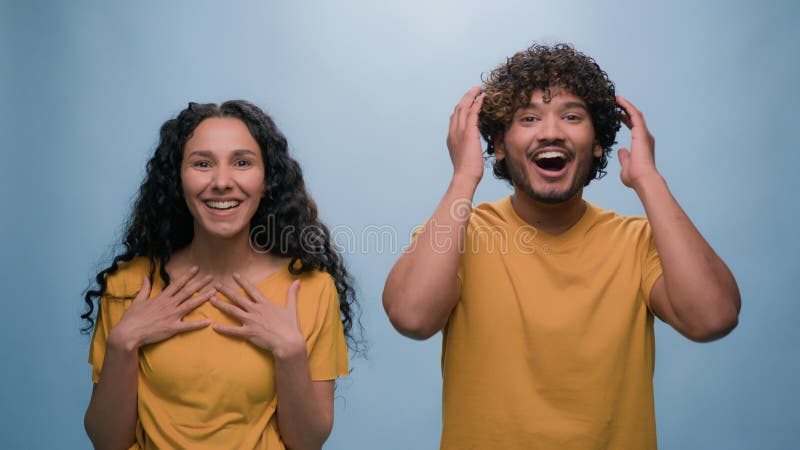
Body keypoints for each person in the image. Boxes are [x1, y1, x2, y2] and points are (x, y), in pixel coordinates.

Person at [382, 43, 741, 449]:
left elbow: (714, 318)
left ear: (599, 142)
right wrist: (464, 176)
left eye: (572, 116)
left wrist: (650, 181)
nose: (551, 132)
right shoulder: (462, 235)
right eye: (529, 118)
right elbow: (411, 316)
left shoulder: (638, 242)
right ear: (499, 144)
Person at [81, 100, 358, 450]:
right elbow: (107, 442)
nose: (222, 182)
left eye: (242, 163)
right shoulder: (130, 286)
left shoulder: (311, 290)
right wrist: (124, 343)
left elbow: (307, 443)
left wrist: (290, 352)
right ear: (177, 179)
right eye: (202, 164)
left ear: (267, 179)